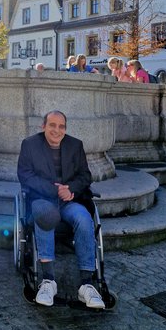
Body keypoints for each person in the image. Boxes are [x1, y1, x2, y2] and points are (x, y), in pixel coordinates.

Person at [17, 110, 105, 309]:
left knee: (84, 219)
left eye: (61, 126)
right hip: (42, 199)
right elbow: (25, 175)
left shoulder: (75, 145)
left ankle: (87, 284)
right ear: (43, 127)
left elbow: (85, 176)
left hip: (70, 201)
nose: (57, 130)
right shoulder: (30, 145)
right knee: (46, 215)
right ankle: (48, 280)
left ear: (65, 129)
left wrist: (71, 189)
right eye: (52, 125)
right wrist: (54, 190)